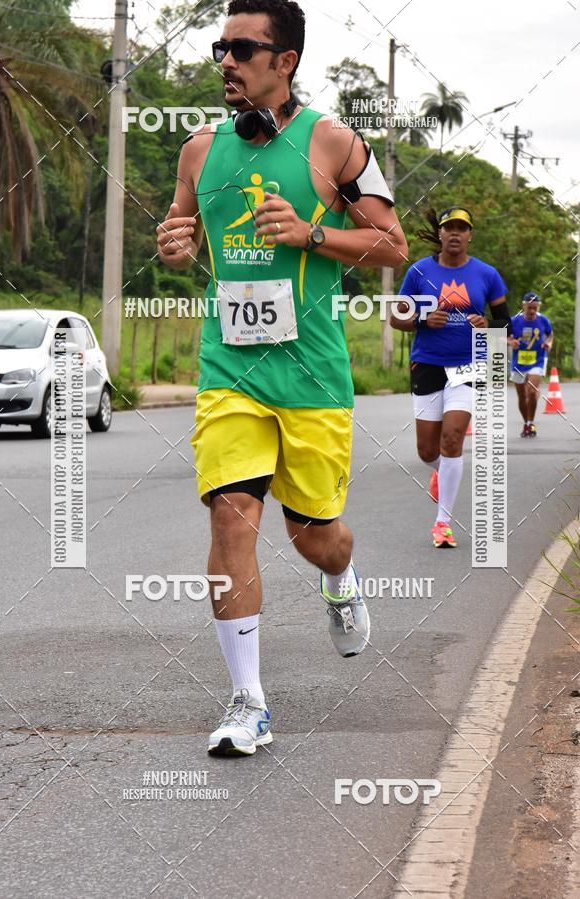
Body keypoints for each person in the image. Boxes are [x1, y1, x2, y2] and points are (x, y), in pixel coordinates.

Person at [156, 0, 407, 756]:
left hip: (312, 373)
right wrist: (174, 244)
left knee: (315, 538)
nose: (226, 60)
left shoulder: (331, 142)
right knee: (231, 513)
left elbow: (392, 246)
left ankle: (341, 579)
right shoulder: (199, 150)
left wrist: (312, 233)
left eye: (243, 48)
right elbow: (181, 230)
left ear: (285, 60)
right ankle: (247, 700)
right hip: (229, 367)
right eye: (219, 47)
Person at [390, 206, 510, 547]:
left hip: (470, 364)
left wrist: (489, 326)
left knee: (453, 438)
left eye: (462, 228)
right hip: (427, 363)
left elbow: (504, 323)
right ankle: (438, 471)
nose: (455, 233)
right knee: (428, 450)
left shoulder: (487, 275)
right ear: (440, 234)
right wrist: (422, 321)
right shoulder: (418, 271)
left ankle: (443, 523)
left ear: (470, 235)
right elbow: (395, 318)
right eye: (449, 228)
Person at [508, 292, 553, 437]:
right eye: (530, 308)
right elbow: (502, 336)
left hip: (537, 359)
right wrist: (510, 342)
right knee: (522, 396)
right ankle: (525, 422)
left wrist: (548, 343)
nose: (533, 311)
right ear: (524, 306)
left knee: (532, 392)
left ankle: (530, 424)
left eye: (535, 308)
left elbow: (550, 335)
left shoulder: (543, 320)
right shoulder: (514, 321)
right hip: (519, 361)